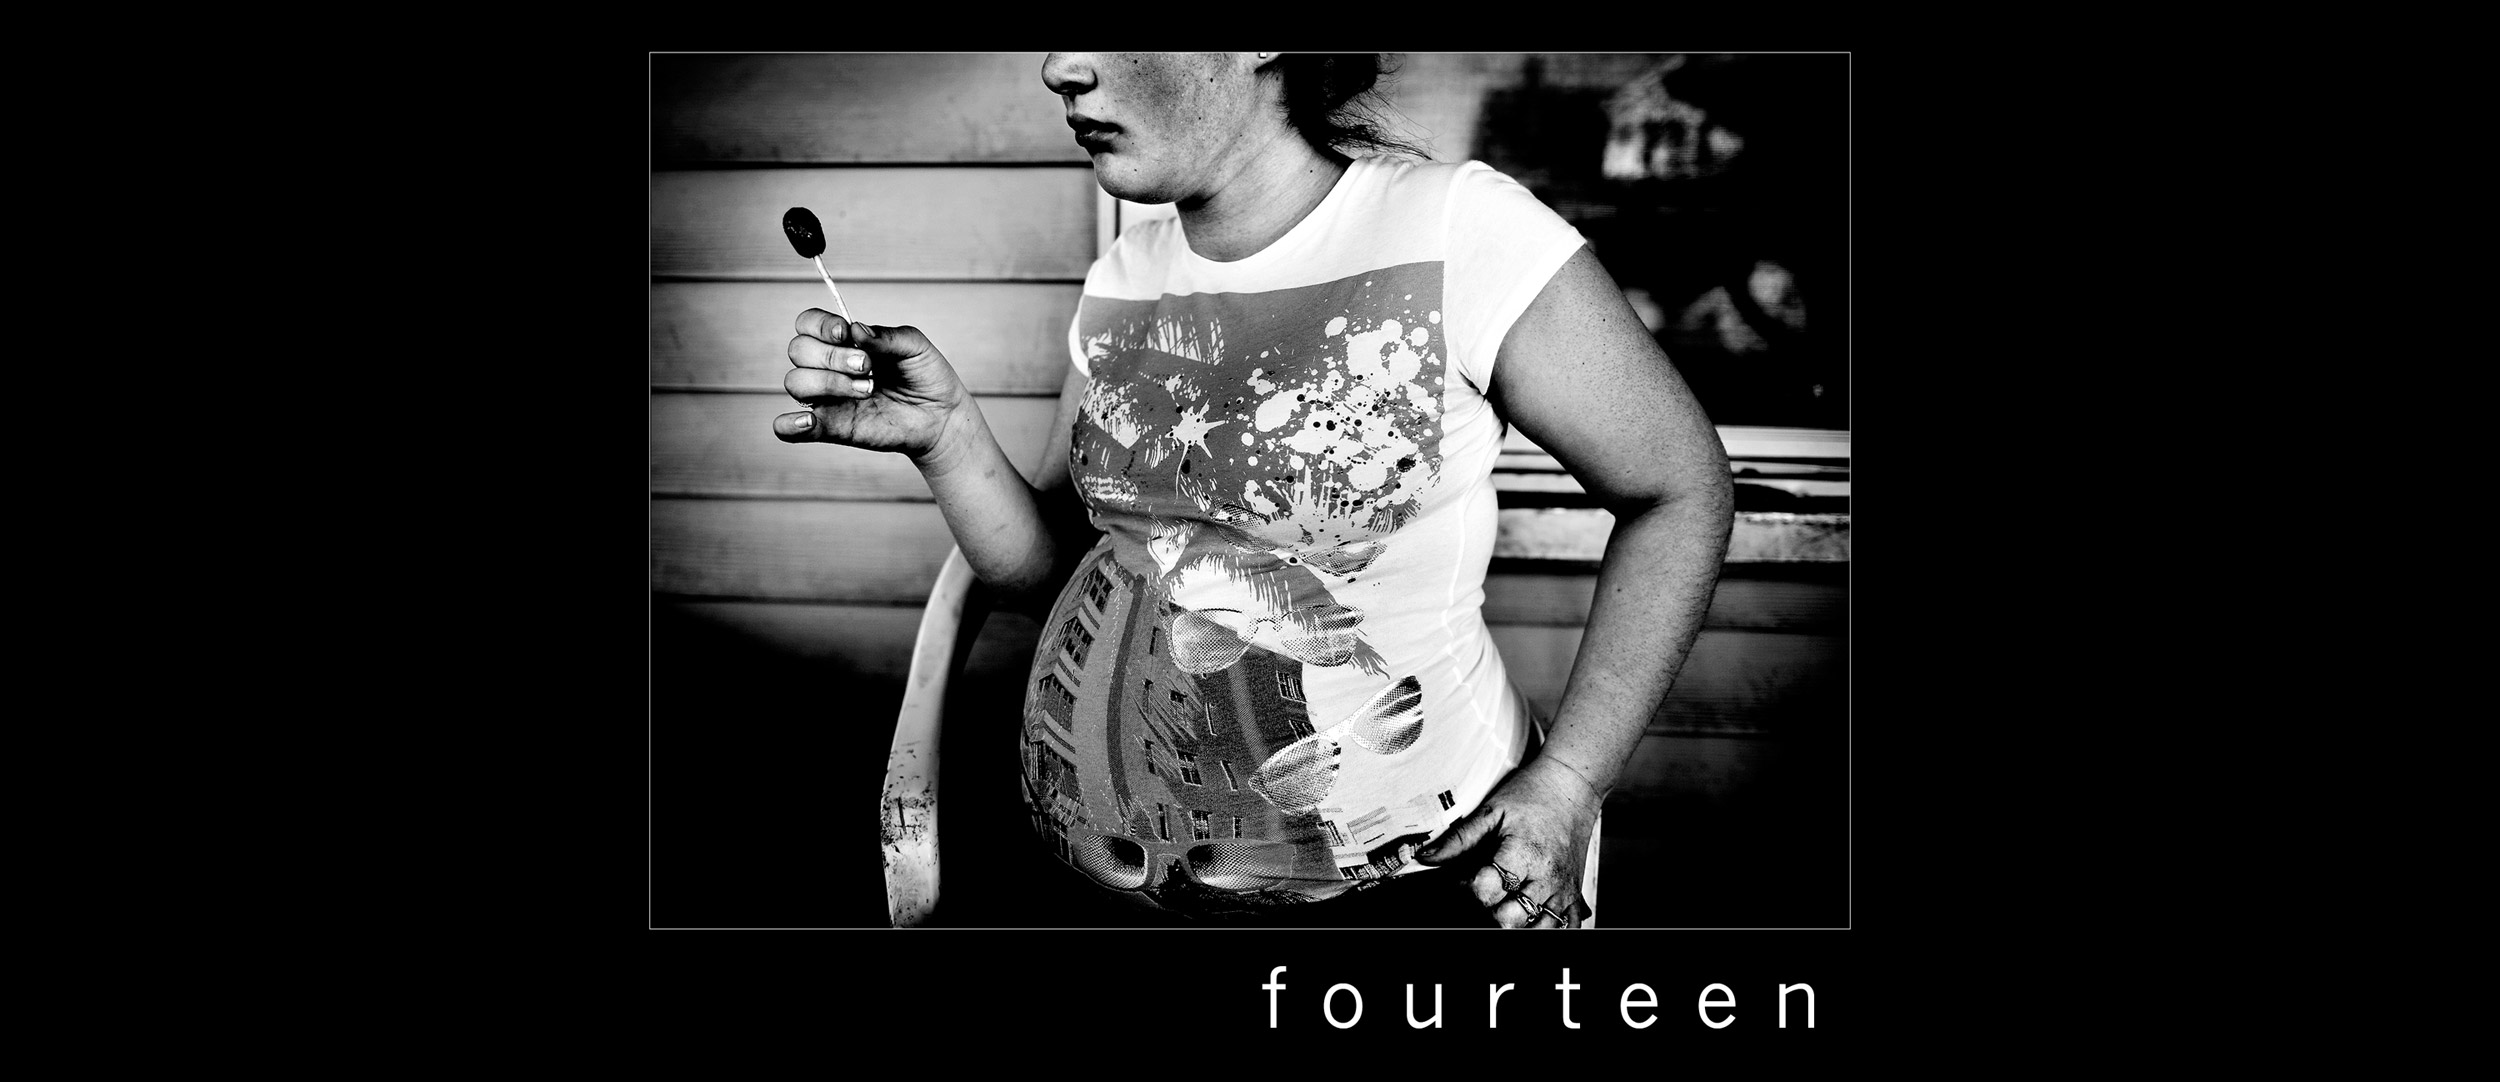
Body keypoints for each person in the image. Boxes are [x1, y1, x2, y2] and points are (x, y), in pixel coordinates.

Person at [773, 53, 1733, 928]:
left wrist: (1571, 782)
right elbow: (1061, 574)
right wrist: (945, 438)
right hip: (1089, 894)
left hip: (1401, 894)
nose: (1059, 68)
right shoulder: (1125, 274)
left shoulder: (1457, 231)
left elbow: (1679, 491)